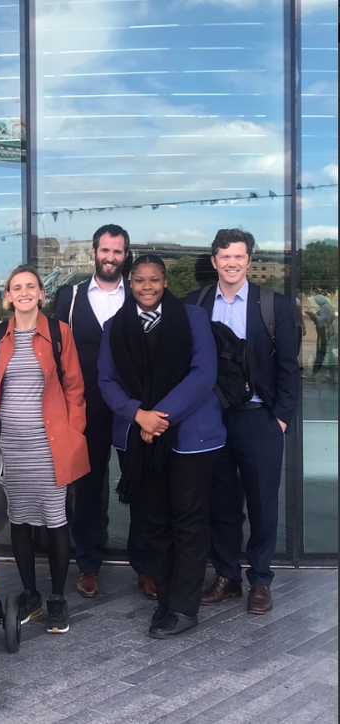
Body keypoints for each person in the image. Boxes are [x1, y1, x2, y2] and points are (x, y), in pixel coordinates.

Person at [99, 255, 225, 638]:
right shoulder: (114, 326)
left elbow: (203, 373)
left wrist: (160, 416)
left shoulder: (192, 319)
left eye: (154, 280)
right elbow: (106, 380)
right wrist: (139, 415)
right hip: (139, 437)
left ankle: (186, 609)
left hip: (189, 439)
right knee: (153, 522)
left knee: (188, 522)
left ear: (164, 281)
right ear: (130, 283)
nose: (147, 287)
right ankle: (165, 602)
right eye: (139, 280)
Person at [185, 229, 299, 615]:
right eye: (224, 256)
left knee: (263, 503)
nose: (232, 263)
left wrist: (280, 419)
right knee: (221, 503)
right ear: (214, 260)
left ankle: (261, 580)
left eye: (239, 256)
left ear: (249, 260)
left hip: (258, 419)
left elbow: (288, 367)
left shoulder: (274, 305)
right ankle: (227, 577)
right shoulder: (196, 304)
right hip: (212, 418)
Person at [0, 265, 88, 634]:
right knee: (21, 519)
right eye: (17, 287)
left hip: (50, 444)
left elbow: (75, 388)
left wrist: (74, 432)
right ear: (8, 296)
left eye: (31, 286)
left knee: (56, 519)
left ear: (42, 294)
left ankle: (57, 597)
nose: (24, 292)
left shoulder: (60, 333)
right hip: (11, 443)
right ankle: (31, 594)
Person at [54, 224, 155, 600]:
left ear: (125, 255)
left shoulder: (142, 294)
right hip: (87, 408)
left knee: (140, 486)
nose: (110, 257)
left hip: (133, 409)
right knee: (89, 488)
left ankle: (145, 567)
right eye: (104, 250)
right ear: (93, 252)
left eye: (117, 251)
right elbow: (58, 353)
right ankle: (90, 565)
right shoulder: (71, 296)